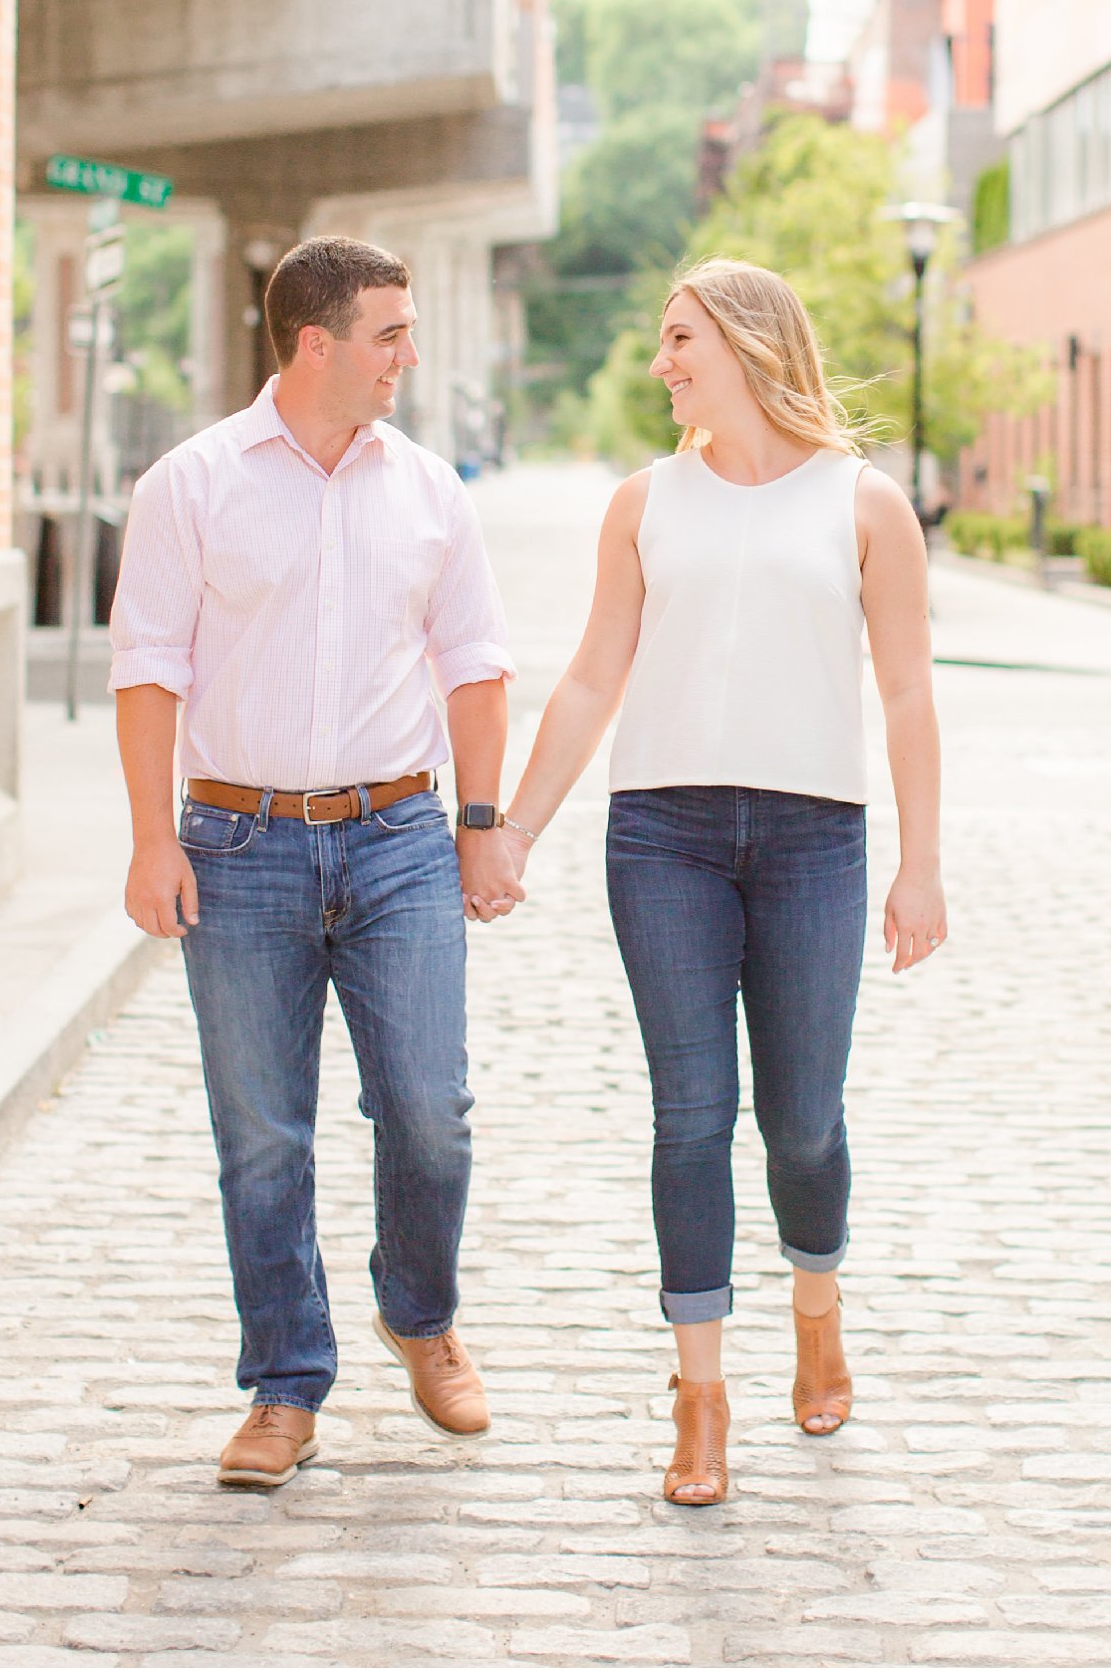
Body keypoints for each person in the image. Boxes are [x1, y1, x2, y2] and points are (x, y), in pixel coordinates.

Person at [485, 257, 946, 1507]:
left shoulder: (863, 504)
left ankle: (815, 1304)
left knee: (799, 1120)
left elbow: (905, 689)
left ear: (744, 340)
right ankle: (698, 1397)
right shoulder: (643, 502)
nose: (659, 360)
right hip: (663, 839)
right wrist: (515, 829)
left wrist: (920, 864)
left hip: (814, 842)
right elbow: (589, 678)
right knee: (689, 1116)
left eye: (676, 336)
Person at [109, 235, 526, 1489]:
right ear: (315, 344)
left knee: (428, 1113)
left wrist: (480, 821)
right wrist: (147, 839)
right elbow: (146, 671)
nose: (409, 354)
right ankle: (284, 1386)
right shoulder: (189, 486)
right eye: (390, 332)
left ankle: (420, 1313)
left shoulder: (429, 489)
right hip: (235, 848)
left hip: (398, 837)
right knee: (261, 1136)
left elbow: (474, 662)